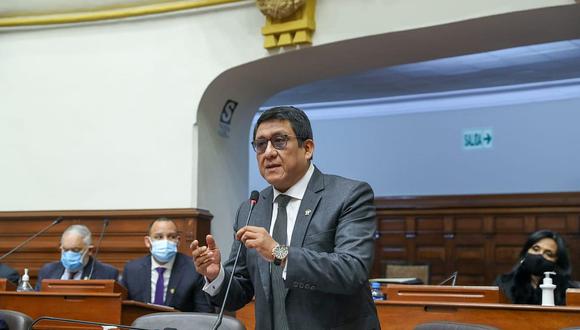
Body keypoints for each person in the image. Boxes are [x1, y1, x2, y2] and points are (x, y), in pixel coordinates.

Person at [191, 106, 380, 329]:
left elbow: (352, 271)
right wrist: (216, 275)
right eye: (261, 144)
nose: (268, 152)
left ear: (307, 148)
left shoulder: (348, 195)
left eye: (279, 141)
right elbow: (238, 293)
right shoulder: (251, 208)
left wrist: (278, 252)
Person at [120, 217, 212, 312]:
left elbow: (204, 312)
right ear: (148, 242)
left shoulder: (193, 270)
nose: (165, 241)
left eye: (171, 237)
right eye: (159, 237)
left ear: (178, 241)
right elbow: (121, 308)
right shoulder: (131, 270)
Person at [495, 229, 577, 305]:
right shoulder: (504, 283)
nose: (539, 255)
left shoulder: (570, 290)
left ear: (557, 261)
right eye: (535, 249)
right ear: (526, 251)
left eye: (548, 254)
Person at [35, 224, 118, 290]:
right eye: (66, 250)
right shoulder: (48, 271)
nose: (70, 254)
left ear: (90, 251)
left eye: (76, 250)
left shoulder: (107, 273)